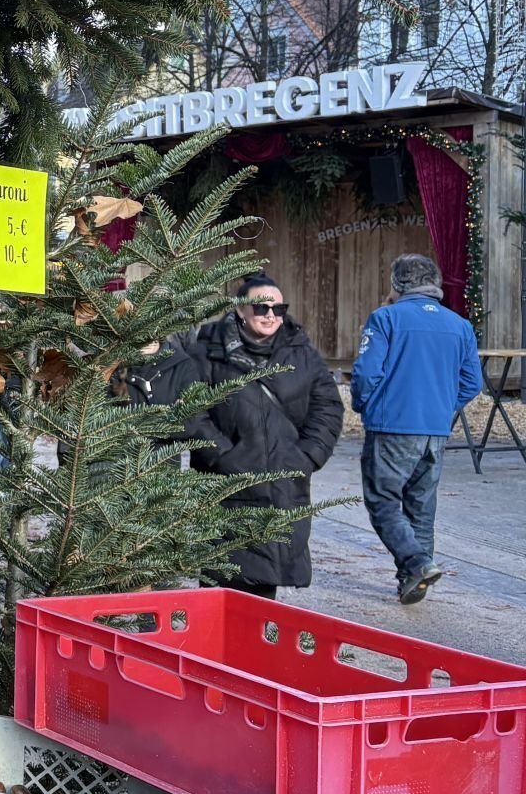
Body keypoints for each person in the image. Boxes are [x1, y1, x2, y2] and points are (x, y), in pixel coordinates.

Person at [181, 274, 343, 599]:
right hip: (228, 482)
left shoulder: (300, 350)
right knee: (223, 577)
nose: (271, 315)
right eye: (261, 307)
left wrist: (307, 456)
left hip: (285, 480)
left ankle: (256, 644)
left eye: (278, 308)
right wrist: (224, 456)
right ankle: (220, 647)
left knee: (266, 576)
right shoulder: (209, 350)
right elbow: (191, 408)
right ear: (241, 310)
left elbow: (328, 406)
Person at [349, 253, 484, 605]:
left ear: (397, 284)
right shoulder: (460, 326)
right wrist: (443, 407)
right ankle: (414, 578)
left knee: (382, 502)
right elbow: (472, 383)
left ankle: (417, 562)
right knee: (421, 506)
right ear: (434, 284)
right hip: (435, 431)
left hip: (391, 425)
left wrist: (364, 405)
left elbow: (366, 374)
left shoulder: (385, 318)